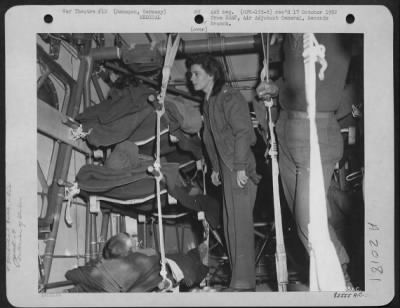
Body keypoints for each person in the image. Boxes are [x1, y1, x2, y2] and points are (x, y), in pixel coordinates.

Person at [256, 33, 355, 288]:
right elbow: (294, 80)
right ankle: (332, 280)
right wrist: (276, 87)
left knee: (310, 225)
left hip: (314, 131)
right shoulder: (292, 35)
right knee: (305, 226)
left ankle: (342, 283)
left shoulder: (327, 27)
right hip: (286, 130)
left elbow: (322, 81)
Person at [186, 54, 260, 291]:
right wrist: (216, 169)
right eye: (190, 73)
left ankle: (244, 283)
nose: (191, 78)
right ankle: (238, 281)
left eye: (196, 73)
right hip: (227, 168)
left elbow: (243, 133)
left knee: (240, 226)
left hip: (239, 168)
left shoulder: (229, 97)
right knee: (230, 226)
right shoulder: (208, 103)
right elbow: (212, 140)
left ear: (211, 74)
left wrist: (238, 167)